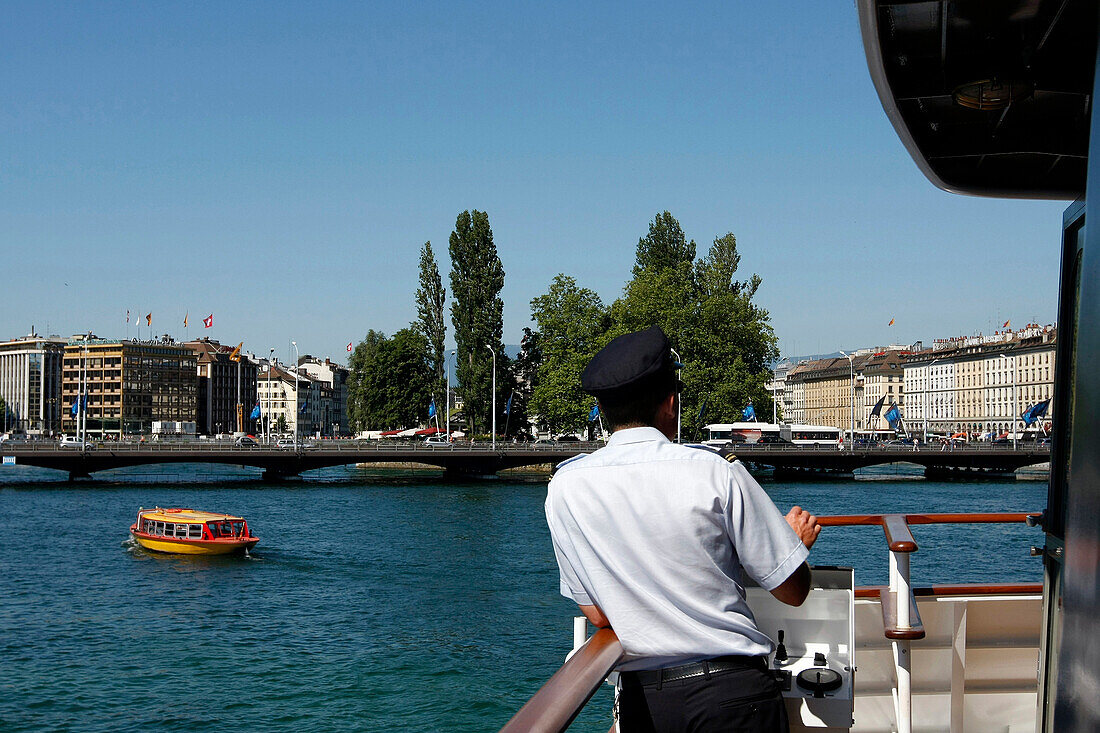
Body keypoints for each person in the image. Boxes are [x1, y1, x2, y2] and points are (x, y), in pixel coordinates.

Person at [545, 326, 821, 733]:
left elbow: (599, 614)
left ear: (603, 411)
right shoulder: (716, 472)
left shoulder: (564, 489)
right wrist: (791, 545)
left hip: (647, 705)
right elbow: (792, 591)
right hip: (735, 698)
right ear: (671, 402)